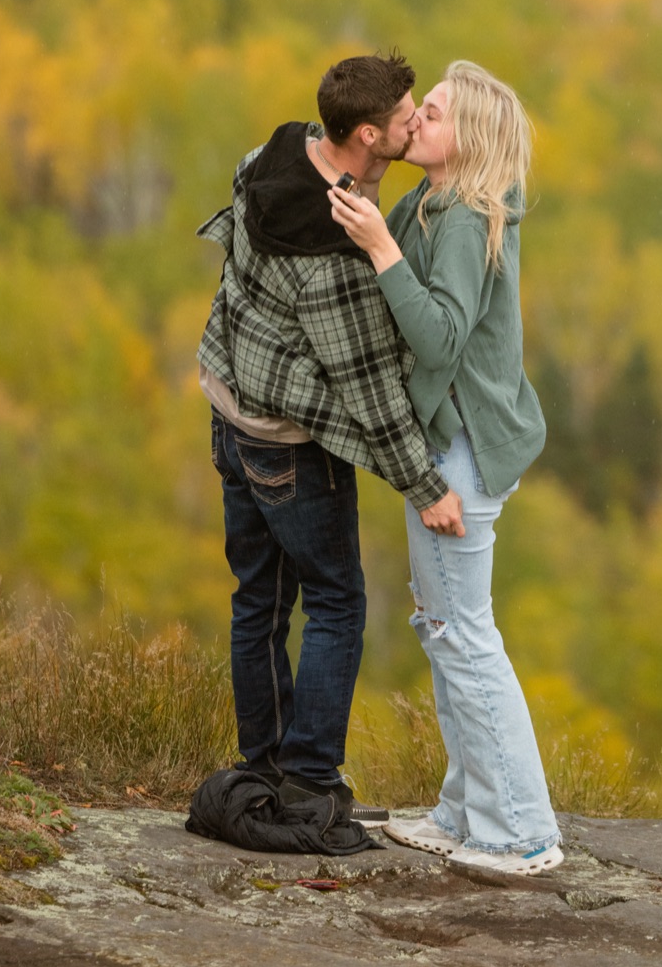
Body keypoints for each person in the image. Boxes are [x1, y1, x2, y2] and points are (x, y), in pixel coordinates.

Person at [195, 51, 466, 836]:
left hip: (228, 406)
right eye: (409, 117)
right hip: (284, 443)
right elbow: (372, 395)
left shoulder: (270, 156)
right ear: (368, 135)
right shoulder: (336, 255)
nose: (419, 122)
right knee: (338, 601)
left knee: (259, 599)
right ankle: (309, 783)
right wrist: (428, 489)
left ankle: (263, 767)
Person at [328, 59, 563, 876]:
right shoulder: (426, 203)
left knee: (465, 635)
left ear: (471, 138)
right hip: (442, 438)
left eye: (431, 112)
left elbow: (439, 338)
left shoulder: (463, 217)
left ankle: (522, 833)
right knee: (442, 632)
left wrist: (384, 248)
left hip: (461, 445)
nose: (413, 120)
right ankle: (465, 812)